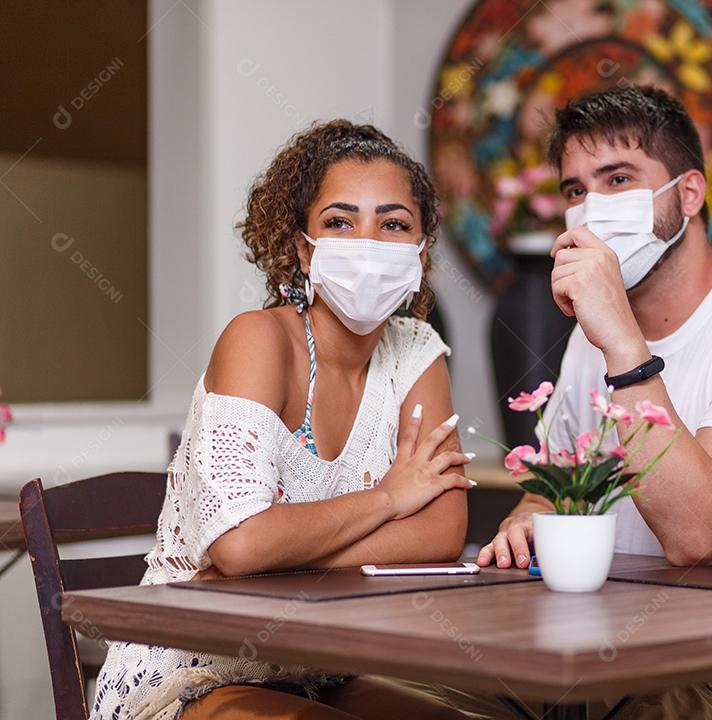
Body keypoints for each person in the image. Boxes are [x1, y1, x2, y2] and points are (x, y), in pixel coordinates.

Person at [473, 86, 712, 719]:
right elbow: (551, 489)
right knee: (428, 693)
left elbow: (695, 532)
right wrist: (528, 521)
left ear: (689, 194)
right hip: (624, 654)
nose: (592, 211)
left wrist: (623, 342)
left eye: (619, 179)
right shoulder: (588, 339)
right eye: (576, 191)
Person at [90, 121, 473, 720]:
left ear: (421, 254)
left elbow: (442, 533)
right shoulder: (259, 340)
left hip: (321, 665)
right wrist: (391, 498)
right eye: (340, 222)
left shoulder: (416, 351)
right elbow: (240, 543)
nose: (368, 243)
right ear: (302, 249)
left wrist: (279, 548)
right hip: (191, 667)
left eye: (393, 224)